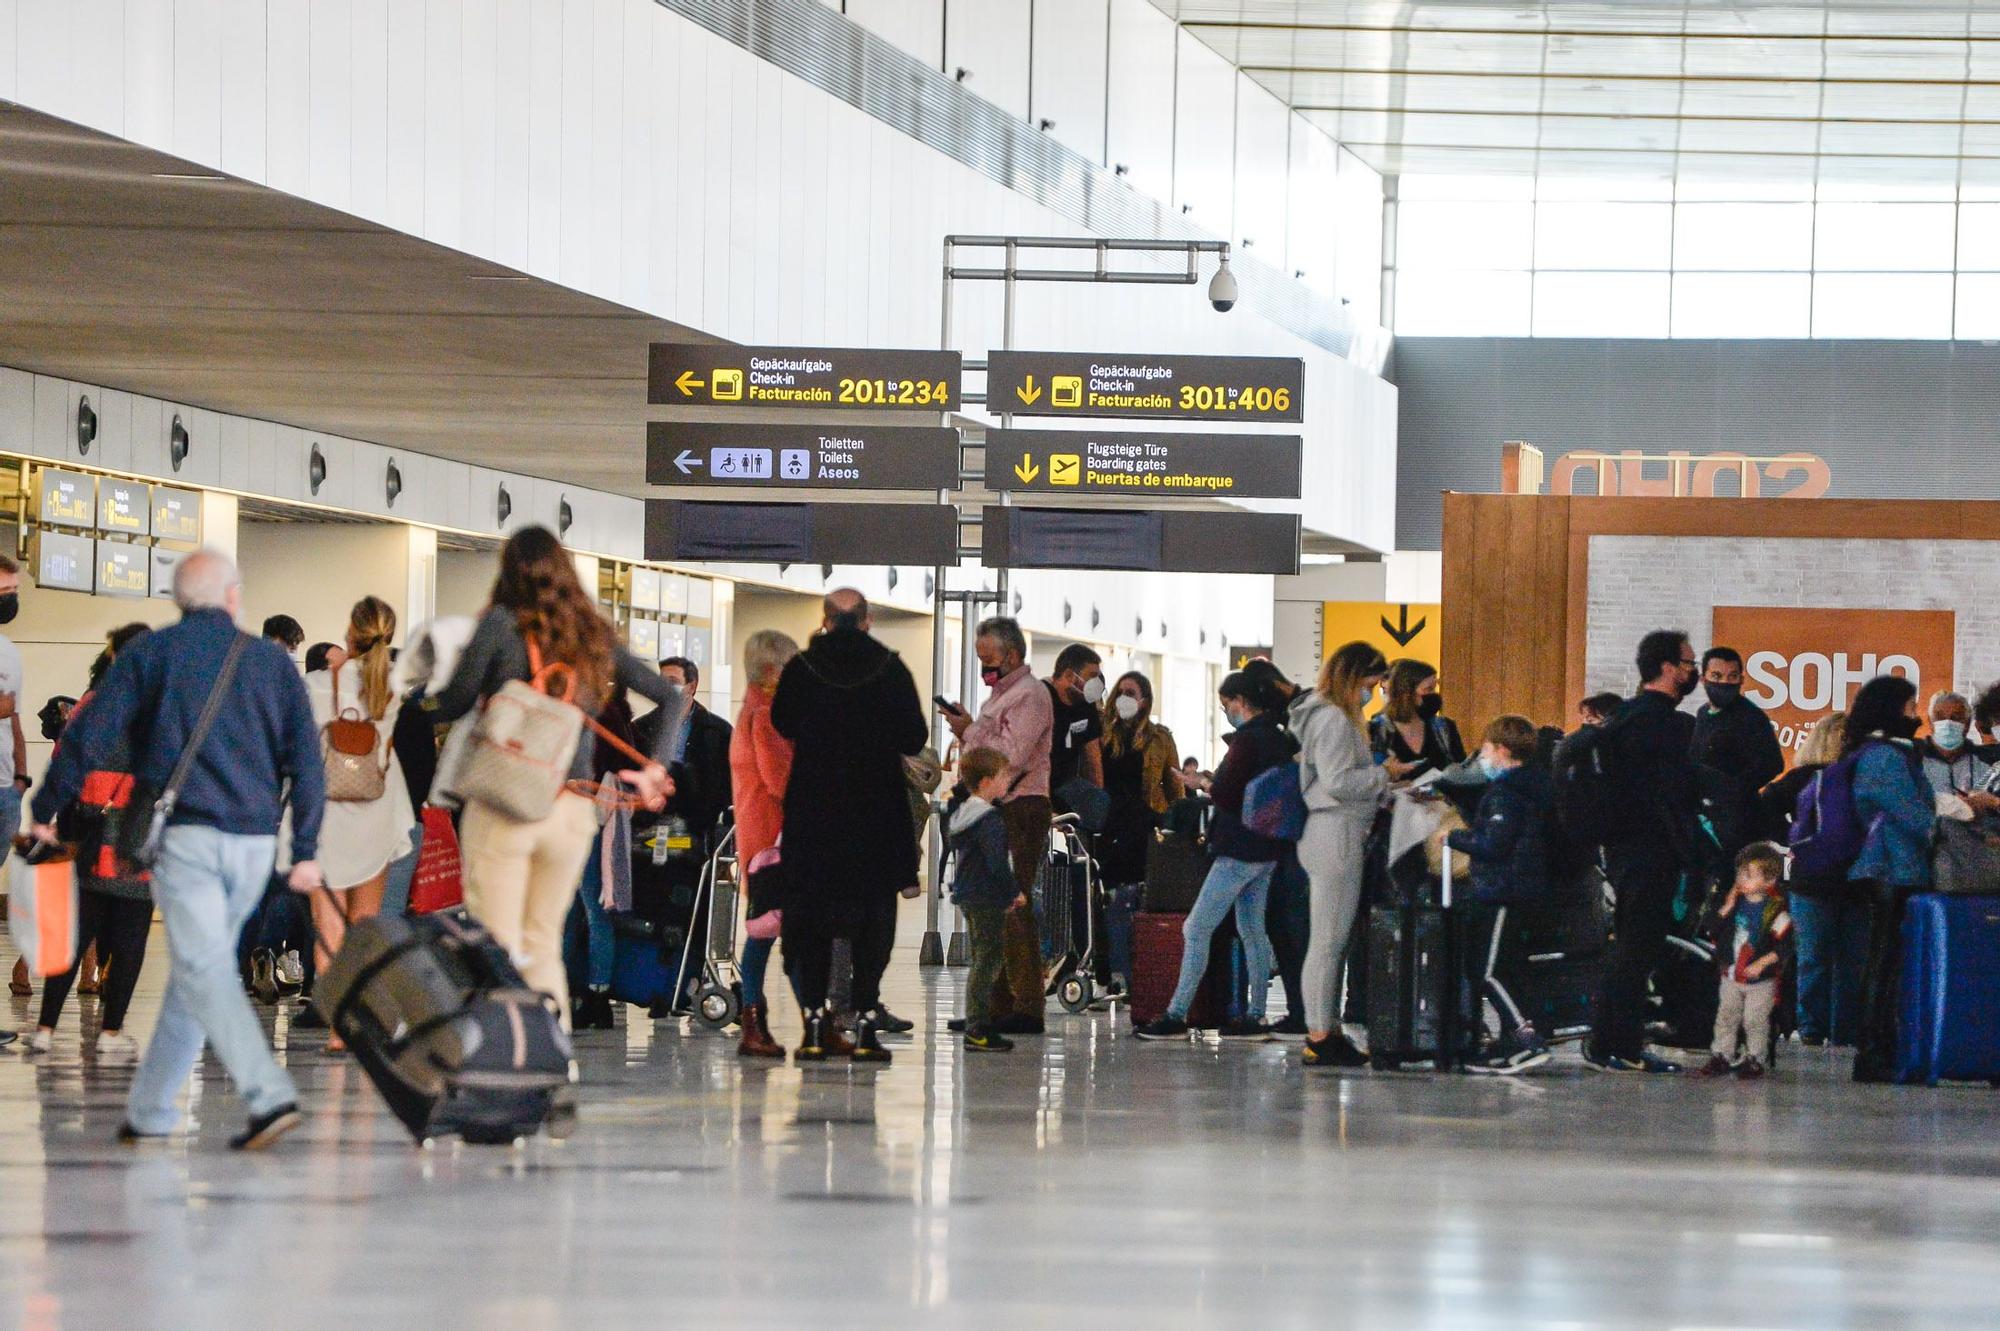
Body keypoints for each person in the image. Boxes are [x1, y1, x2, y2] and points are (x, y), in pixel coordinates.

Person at [30, 549, 323, 1150]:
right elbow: (308, 764)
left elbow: (87, 736)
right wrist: (309, 845)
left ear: (178, 600)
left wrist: (43, 812)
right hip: (254, 847)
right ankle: (150, 1110)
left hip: (187, 839)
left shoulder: (151, 653)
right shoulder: (272, 665)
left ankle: (268, 1096)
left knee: (204, 966)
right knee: (197, 967)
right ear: (234, 597)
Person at [422, 527, 678, 1033]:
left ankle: (506, 1060)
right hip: (572, 809)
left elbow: (451, 701)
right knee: (542, 940)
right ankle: (553, 1062)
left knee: (496, 940)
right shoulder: (592, 634)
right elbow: (669, 697)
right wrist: (657, 766)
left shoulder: (500, 625)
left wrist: (418, 698)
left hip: (507, 800)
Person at [770, 589, 927, 1062]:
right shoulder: (890, 667)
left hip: (814, 814)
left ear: (824, 620)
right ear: (866, 621)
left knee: (812, 919)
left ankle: (815, 1027)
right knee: (873, 920)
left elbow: (783, 723)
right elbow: (914, 735)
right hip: (874, 814)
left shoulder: (801, 669)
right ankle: (863, 1025)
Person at [1135, 672, 1293, 1042]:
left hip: (1238, 847)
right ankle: (1254, 1015)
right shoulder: (1277, 736)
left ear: (1241, 701)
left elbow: (1227, 791)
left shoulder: (1249, 739)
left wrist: (1203, 783)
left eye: (1226, 705)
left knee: (1196, 927)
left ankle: (1176, 1014)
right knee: (1253, 930)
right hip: (1267, 846)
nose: (1226, 711)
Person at [27, 624, 155, 1057]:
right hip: (139, 834)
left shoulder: (90, 706)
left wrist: (43, 815)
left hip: (89, 829)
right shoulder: (160, 708)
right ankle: (111, 1034)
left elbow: (65, 763)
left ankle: (44, 1029)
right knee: (131, 937)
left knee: (76, 932)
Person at [1585, 629, 1702, 1075]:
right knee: (1637, 948)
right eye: (1689, 665)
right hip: (1651, 850)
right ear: (1668, 668)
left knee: (1631, 946)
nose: (1692, 673)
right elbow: (1678, 792)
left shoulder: (1623, 718)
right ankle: (1616, 1043)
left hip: (1623, 848)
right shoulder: (1669, 725)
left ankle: (1616, 1041)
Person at [304, 596, 414, 1054]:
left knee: (328, 927)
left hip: (325, 814)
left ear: (349, 632)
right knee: (364, 926)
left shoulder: (312, 684)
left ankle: (335, 1027)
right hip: (377, 810)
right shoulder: (392, 688)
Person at [945, 616, 1055, 1036]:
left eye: (989, 660)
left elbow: (1009, 755)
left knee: (1013, 901)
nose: (984, 668)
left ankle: (1026, 1005)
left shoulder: (1029, 695)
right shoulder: (1002, 696)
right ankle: (996, 1005)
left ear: (1011, 655)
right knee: (997, 906)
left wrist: (970, 732)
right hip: (998, 805)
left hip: (1020, 806)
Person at [1291, 641, 1390, 1068]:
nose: (1376, 691)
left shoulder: (1327, 715)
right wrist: (1383, 776)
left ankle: (1326, 1027)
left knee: (1331, 939)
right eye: (1373, 681)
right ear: (1355, 677)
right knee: (1329, 941)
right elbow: (1337, 782)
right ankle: (1319, 1032)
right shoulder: (1333, 718)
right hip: (1336, 831)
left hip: (1334, 831)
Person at [1445, 715, 1555, 1075]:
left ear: (1503, 751)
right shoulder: (1537, 786)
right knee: (1510, 969)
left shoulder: (1507, 794)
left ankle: (1526, 1037)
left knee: (1486, 970)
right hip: (1524, 889)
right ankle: (1512, 1044)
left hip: (1502, 890)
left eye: (1487, 749)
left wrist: (1453, 838)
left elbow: (1493, 844)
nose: (1483, 757)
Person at [1843, 675, 1936, 1084]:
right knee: (1884, 965)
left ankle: (1879, 1047)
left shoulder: (1879, 753)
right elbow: (1914, 816)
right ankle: (1874, 1050)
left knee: (1885, 963)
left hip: (1890, 869)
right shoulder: (1884, 757)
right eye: (1912, 706)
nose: (1917, 715)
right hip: (1892, 871)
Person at [1757, 713, 1863, 1048]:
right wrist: (1788, 840)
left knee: (1830, 962)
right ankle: (1819, 1029)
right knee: (1822, 960)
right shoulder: (1806, 778)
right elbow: (1767, 804)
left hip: (1836, 881)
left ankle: (1825, 1029)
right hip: (1821, 883)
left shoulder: (1853, 777)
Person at [728, 629, 799, 1060]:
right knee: (779, 932)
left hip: (757, 837)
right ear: (774, 668)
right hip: (778, 839)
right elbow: (781, 781)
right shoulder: (769, 713)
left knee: (766, 930)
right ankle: (809, 1021)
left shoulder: (749, 708)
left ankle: (755, 1018)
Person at [1097, 672, 1183, 993]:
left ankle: (1140, 972)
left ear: (1144, 700)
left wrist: (1177, 825)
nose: (1124, 698)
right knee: (1112, 900)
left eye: (1131, 693)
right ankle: (1115, 971)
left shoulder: (1160, 738)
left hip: (1146, 826)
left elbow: (1174, 787)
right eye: (1120, 692)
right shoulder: (1103, 735)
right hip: (1110, 829)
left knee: (1139, 899)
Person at [1692, 841, 1793, 1080]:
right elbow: (1711, 927)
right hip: (1731, 973)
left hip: (1760, 980)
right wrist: (1726, 907)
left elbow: (1785, 945)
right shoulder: (1735, 906)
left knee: (1754, 1020)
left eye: (1749, 875)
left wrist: (1763, 962)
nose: (1741, 879)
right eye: (1740, 873)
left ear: (1768, 882)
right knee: (1726, 1016)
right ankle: (1722, 1054)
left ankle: (1755, 1057)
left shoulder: (1774, 911)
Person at [949, 747, 1024, 1053]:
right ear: (985, 782)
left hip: (969, 895)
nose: (1007, 782)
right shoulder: (989, 819)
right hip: (986, 897)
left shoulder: (963, 816)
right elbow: (997, 862)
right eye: (1002, 776)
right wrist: (1013, 892)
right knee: (988, 959)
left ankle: (977, 1020)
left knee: (983, 956)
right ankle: (977, 1026)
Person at [1690, 646, 1785, 855]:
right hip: (1704, 815)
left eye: (1732, 676)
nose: (1724, 682)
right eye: (1717, 675)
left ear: (1741, 679)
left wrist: (1732, 790)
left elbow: (1773, 763)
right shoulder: (1703, 714)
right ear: (1702, 678)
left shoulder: (1751, 717)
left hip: (1737, 822)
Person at [637, 655, 734, 840]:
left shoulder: (718, 731)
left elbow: (727, 782)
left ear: (691, 686)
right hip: (650, 823)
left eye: (672, 682)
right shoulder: (642, 728)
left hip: (698, 826)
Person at [0, 554, 31, 1027]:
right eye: (4, 592)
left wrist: (22, 778)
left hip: (5, 786)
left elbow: (14, 715)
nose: (11, 599)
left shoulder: (10, 652)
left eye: (13, 592)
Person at [1368, 659, 1465, 784]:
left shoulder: (1445, 728)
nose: (1433, 695)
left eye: (1434, 689)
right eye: (1428, 689)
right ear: (1407, 693)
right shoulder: (1375, 731)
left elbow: (1461, 772)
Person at [1046, 643, 1105, 803]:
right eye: (1092, 676)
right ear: (1069, 675)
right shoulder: (1039, 699)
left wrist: (1097, 803)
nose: (1096, 683)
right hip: (1037, 789)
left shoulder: (1086, 705)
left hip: (1067, 788)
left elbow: (1093, 759)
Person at [1919, 690, 1999, 797]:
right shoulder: (1911, 759)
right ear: (1930, 721)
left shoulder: (1987, 759)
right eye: (1940, 717)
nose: (1947, 723)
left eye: (1955, 717)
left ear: (1967, 723)